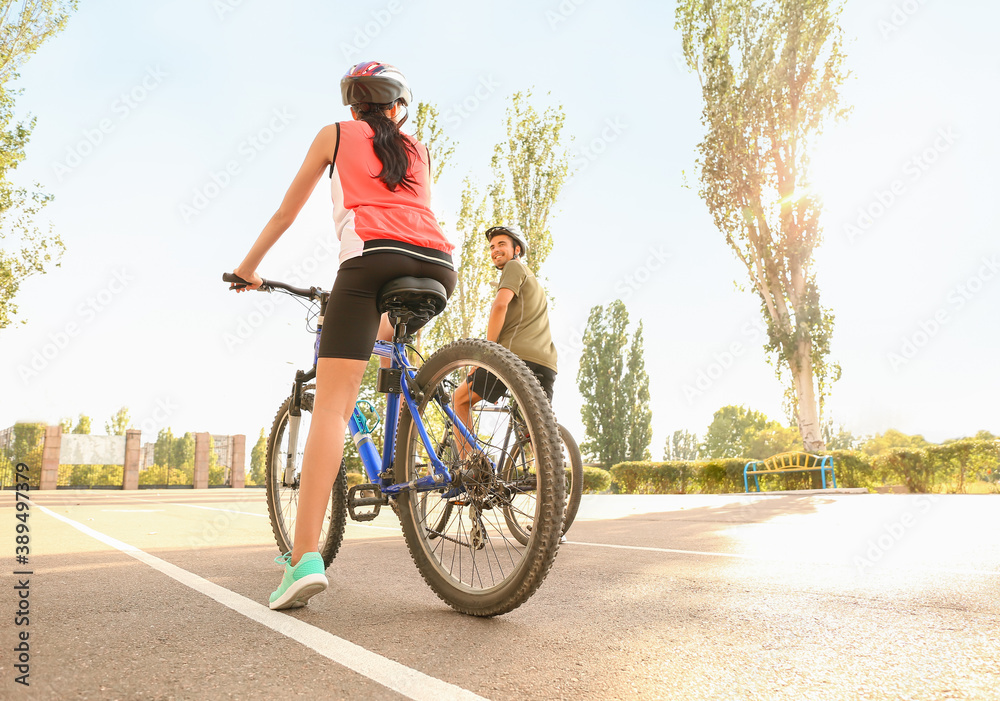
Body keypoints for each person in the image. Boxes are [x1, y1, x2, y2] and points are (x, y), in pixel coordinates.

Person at [232, 61, 456, 610]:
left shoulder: (334, 134)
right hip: (438, 266)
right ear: (397, 107)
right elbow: (413, 212)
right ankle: (401, 443)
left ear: (353, 105)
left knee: (332, 407)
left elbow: (287, 211)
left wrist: (247, 269)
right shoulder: (417, 148)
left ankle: (304, 557)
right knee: (386, 341)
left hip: (369, 262)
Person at [452, 224, 558, 445]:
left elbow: (500, 306)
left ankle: (471, 469)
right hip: (546, 362)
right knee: (538, 433)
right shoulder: (534, 282)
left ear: (517, 249)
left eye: (502, 244)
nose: (495, 250)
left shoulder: (514, 267)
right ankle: (548, 476)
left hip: (515, 356)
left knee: (459, 400)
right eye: (492, 247)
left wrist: (486, 354)